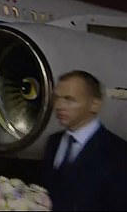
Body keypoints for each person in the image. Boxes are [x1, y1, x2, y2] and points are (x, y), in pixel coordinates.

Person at [42, 70, 127, 211]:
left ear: (95, 104)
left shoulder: (119, 152)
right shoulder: (53, 142)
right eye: (57, 98)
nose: (58, 106)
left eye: (69, 99)